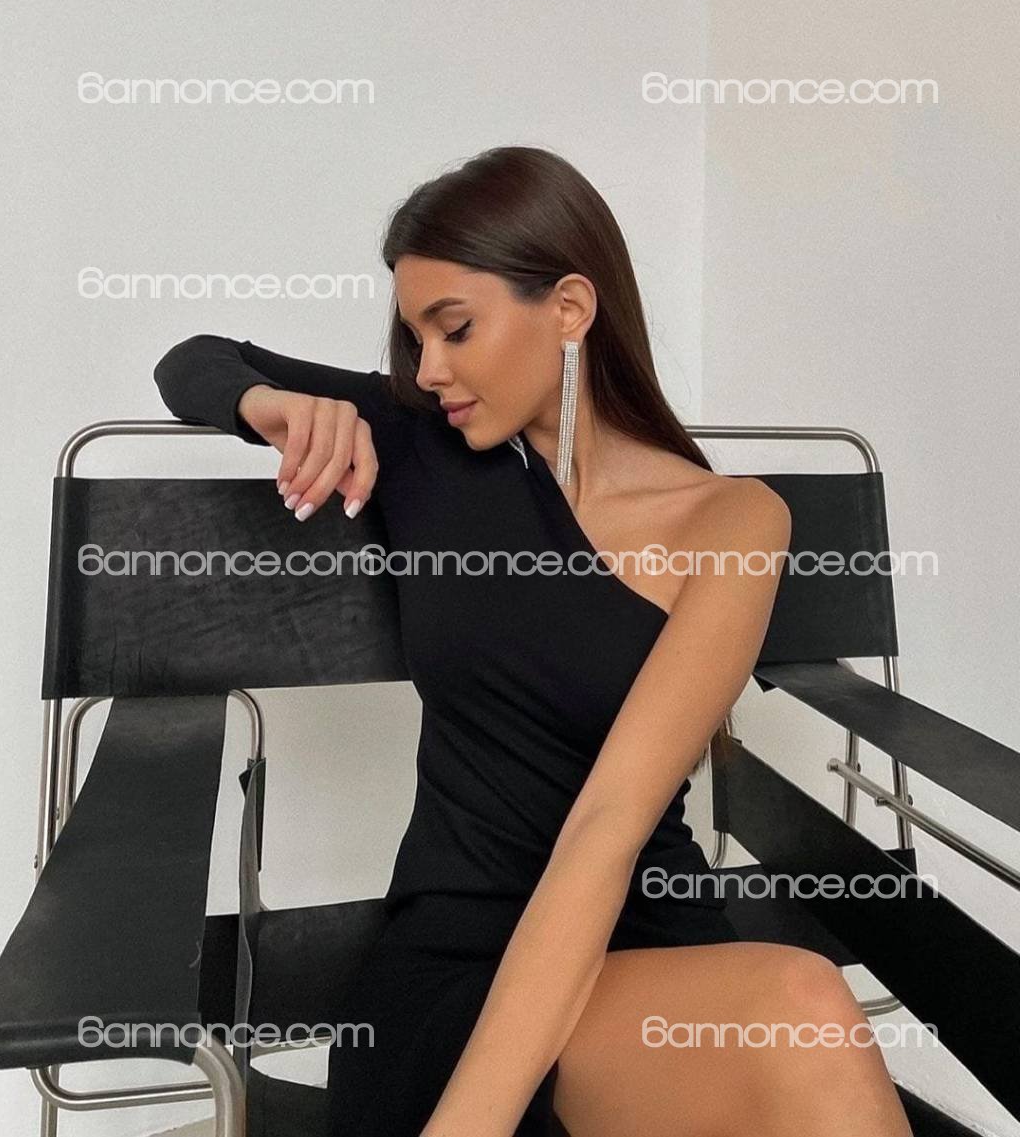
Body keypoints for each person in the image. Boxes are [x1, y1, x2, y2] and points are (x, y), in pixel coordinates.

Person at [153, 145, 913, 1137]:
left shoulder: (732, 520)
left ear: (569, 308)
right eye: (414, 336)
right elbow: (194, 359)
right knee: (801, 1013)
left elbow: (608, 824)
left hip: (654, 954)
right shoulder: (419, 443)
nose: (429, 367)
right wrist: (275, 408)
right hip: (458, 974)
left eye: (455, 327)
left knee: (797, 1016)